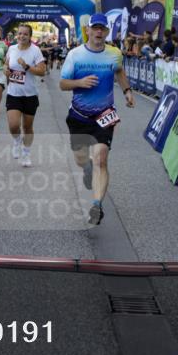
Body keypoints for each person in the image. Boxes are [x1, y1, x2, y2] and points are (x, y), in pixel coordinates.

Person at [59, 13, 135, 226]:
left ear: (107, 32)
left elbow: (119, 71)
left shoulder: (114, 54)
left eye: (103, 29)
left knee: (101, 157)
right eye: (96, 28)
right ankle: (86, 168)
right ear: (89, 31)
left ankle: (96, 206)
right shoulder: (75, 55)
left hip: (104, 114)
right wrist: (80, 82)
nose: (99, 32)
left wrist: (127, 91)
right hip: (78, 115)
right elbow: (63, 84)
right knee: (81, 159)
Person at [4, 24, 47, 167]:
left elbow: (42, 71)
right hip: (13, 93)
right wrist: (6, 71)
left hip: (30, 94)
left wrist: (27, 67)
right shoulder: (11, 48)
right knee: (13, 125)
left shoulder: (35, 51)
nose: (21, 36)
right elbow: (6, 65)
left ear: (30, 37)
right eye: (19, 33)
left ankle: (26, 152)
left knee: (27, 127)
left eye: (25, 34)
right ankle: (16, 140)